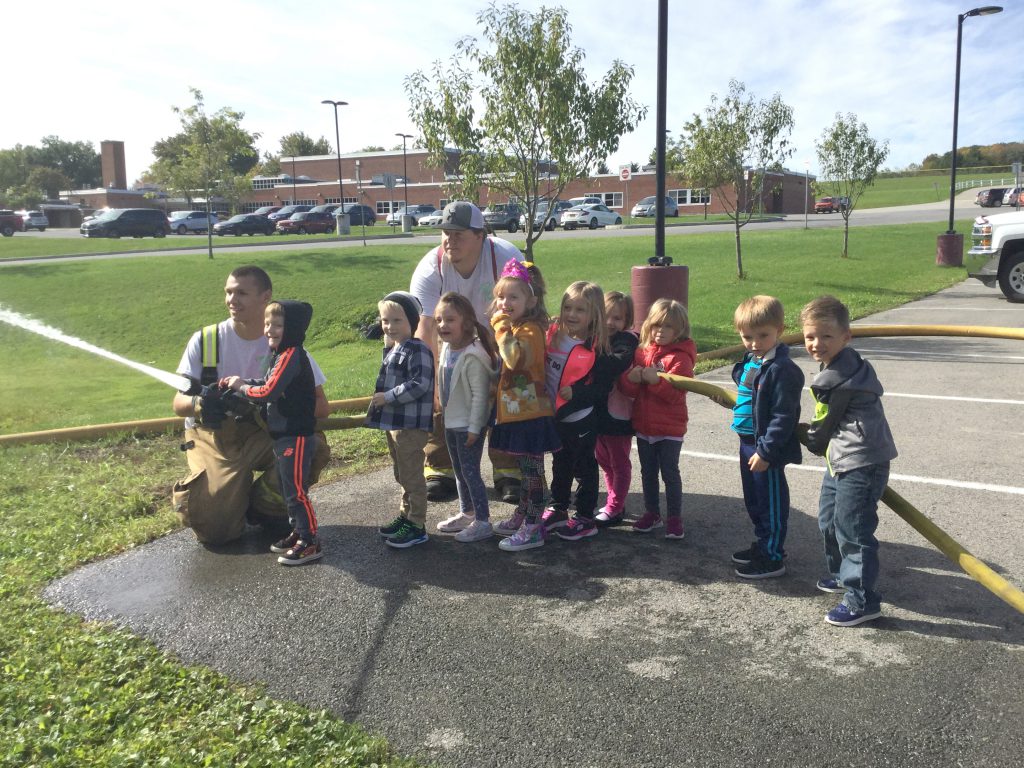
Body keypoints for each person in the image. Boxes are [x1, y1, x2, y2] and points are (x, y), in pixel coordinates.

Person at [171, 266, 330, 546]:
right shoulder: (206, 340)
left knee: (312, 446)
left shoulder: (285, 345)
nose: (232, 299)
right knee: (217, 531)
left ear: (266, 297)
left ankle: (266, 508)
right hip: (215, 436)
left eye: (242, 293)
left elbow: (321, 406)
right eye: (228, 292)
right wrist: (200, 404)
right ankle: (230, 500)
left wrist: (266, 403)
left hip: (263, 431)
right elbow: (178, 403)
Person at [409, 201, 523, 504]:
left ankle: (509, 470)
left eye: (458, 233)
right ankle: (440, 468)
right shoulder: (431, 266)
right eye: (446, 232)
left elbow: (524, 310)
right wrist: (430, 380)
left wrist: (515, 359)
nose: (450, 240)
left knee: (506, 396)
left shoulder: (507, 257)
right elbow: (425, 329)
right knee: (444, 393)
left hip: (499, 337)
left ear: (480, 235)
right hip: (451, 341)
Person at [802, 295, 897, 627]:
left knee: (853, 529)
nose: (817, 344)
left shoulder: (838, 377)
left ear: (846, 337)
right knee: (829, 520)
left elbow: (821, 432)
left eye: (827, 336)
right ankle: (843, 575)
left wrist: (802, 435)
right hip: (840, 459)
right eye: (810, 336)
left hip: (859, 460)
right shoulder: (842, 365)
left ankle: (862, 600)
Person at [221, 300, 322, 565]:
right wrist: (235, 384)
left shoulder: (292, 355)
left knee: (296, 491)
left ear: (293, 328)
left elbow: (268, 392)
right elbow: (266, 383)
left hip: (295, 435)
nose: (269, 330)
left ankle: (310, 541)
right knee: (288, 490)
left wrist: (241, 387)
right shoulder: (281, 355)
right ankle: (298, 531)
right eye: (267, 324)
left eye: (277, 325)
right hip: (282, 434)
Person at [726, 296, 804, 580]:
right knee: (754, 500)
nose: (755, 342)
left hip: (764, 450)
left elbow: (784, 416)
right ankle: (763, 544)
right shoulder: (753, 361)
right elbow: (747, 388)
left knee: (770, 503)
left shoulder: (783, 370)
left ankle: (773, 557)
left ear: (780, 330)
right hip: (746, 442)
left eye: (763, 336)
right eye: (747, 337)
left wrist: (767, 451)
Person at [488, 261, 562, 552]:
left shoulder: (529, 329)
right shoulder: (518, 326)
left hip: (531, 414)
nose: (505, 303)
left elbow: (514, 359)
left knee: (532, 473)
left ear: (530, 301)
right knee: (524, 469)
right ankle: (524, 514)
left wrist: (499, 325)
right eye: (501, 297)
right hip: (517, 411)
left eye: (513, 297)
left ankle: (533, 526)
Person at [542, 281, 615, 542]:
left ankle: (585, 516)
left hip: (580, 419)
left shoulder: (597, 347)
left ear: (594, 315)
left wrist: (578, 393)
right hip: (555, 417)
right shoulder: (552, 334)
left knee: (584, 467)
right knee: (560, 463)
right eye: (567, 307)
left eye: (580, 310)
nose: (571, 314)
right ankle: (558, 508)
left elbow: (603, 388)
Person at [619, 298, 696, 539]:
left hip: (670, 428)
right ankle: (652, 513)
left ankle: (674, 518)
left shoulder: (680, 358)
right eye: (656, 326)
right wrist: (630, 379)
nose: (660, 331)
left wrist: (655, 382)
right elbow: (629, 392)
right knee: (648, 472)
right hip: (644, 425)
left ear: (679, 330)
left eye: (668, 327)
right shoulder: (642, 352)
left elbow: (676, 395)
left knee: (670, 473)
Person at [367, 291, 435, 549]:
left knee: (412, 475)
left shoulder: (417, 348)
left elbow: (420, 384)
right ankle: (406, 516)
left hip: (410, 425)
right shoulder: (396, 347)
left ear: (412, 322)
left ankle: (417, 524)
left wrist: (389, 397)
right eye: (385, 320)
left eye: (397, 320)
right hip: (394, 423)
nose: (390, 326)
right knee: (401, 473)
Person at [432, 292, 500, 543]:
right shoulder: (448, 348)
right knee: (459, 471)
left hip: (468, 425)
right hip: (451, 422)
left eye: (450, 320)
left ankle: (483, 521)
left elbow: (481, 396)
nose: (442, 325)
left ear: (467, 322)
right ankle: (467, 512)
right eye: (439, 320)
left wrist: (475, 428)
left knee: (471, 472)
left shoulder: (474, 354)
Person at [594, 291, 640, 527]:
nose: (611, 322)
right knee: (603, 459)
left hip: (618, 413)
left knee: (619, 461)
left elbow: (617, 362)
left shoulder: (627, 341)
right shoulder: (595, 337)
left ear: (627, 321)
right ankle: (615, 502)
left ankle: (615, 505)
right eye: (606, 316)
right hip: (600, 413)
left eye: (618, 318)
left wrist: (591, 359)